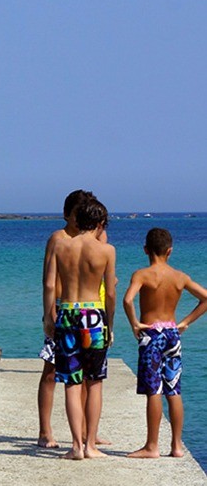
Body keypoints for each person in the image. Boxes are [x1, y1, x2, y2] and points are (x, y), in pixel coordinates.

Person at [123, 228, 207, 459]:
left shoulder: (142, 274)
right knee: (174, 389)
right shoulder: (180, 277)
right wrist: (185, 322)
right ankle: (177, 446)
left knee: (154, 391)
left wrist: (135, 324)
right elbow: (206, 297)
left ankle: (152, 446)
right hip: (172, 334)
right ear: (170, 251)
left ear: (145, 250)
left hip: (151, 335)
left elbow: (128, 299)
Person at [36, 190, 111, 448]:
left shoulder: (96, 237)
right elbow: (47, 280)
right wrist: (49, 313)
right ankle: (45, 430)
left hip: (83, 310)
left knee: (87, 376)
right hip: (60, 307)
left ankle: (88, 433)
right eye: (77, 213)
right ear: (68, 214)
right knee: (53, 371)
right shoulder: (58, 239)